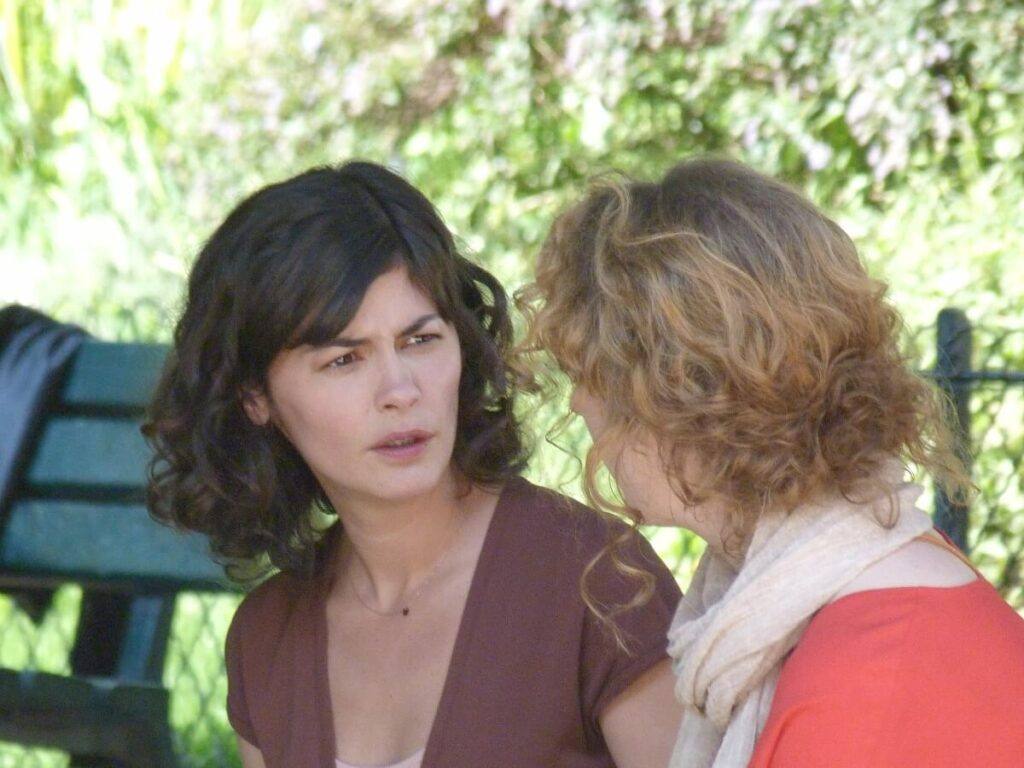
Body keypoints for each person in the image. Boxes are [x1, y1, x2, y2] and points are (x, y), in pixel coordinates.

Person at [143, 161, 683, 768]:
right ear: (255, 397)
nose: (399, 390)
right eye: (345, 360)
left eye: (420, 340)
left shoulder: (600, 581)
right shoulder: (266, 641)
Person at [518, 157, 1024, 767]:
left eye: (594, 372)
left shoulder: (860, 680)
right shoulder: (845, 594)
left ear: (688, 389)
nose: (578, 399)